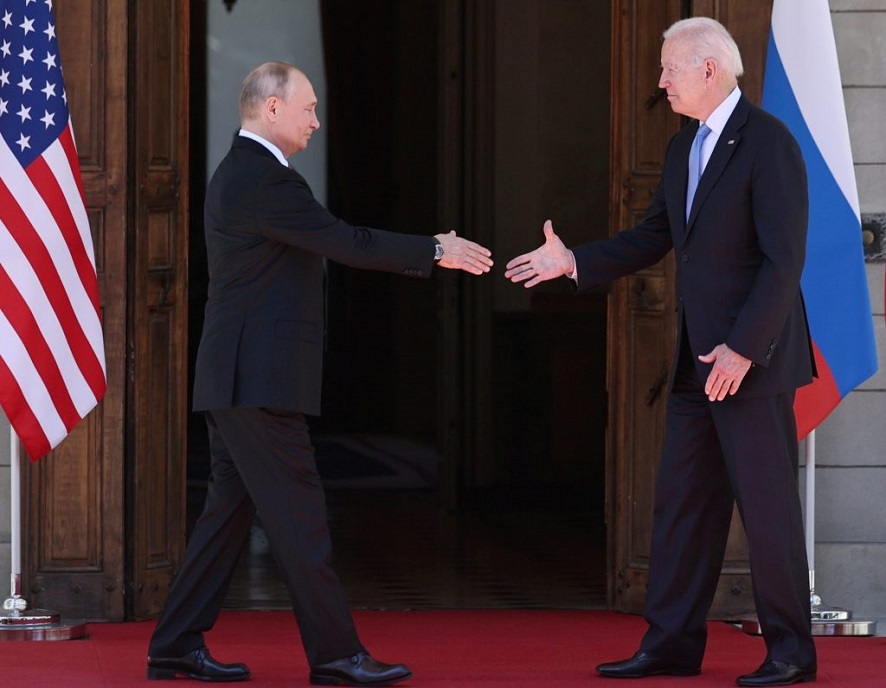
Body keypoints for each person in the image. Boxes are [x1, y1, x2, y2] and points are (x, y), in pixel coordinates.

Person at [145, 61, 493, 685]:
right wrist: (435, 249)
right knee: (301, 518)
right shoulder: (263, 178)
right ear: (272, 108)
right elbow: (346, 241)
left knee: (226, 517)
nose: (316, 120)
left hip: (239, 379)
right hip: (257, 382)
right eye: (307, 107)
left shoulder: (249, 172)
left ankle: (174, 643)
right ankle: (335, 655)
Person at [505, 17, 816, 688]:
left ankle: (791, 653)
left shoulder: (769, 142)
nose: (661, 80)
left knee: (768, 514)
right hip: (695, 365)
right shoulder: (682, 149)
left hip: (751, 364)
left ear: (708, 69)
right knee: (682, 510)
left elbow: (784, 260)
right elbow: (651, 237)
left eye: (670, 68)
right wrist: (573, 262)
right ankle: (671, 645)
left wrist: (743, 348)